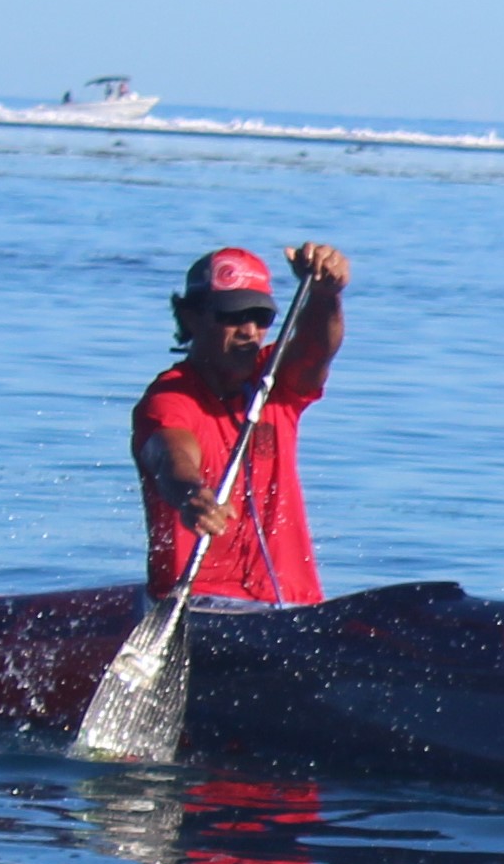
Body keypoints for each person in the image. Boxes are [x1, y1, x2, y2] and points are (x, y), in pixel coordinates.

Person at [133, 244, 351, 604]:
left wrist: (326, 295)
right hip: (200, 601)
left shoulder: (276, 381)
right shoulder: (169, 399)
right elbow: (168, 457)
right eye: (232, 316)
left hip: (292, 602)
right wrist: (190, 495)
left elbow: (318, 347)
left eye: (261, 317)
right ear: (191, 317)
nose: (250, 331)